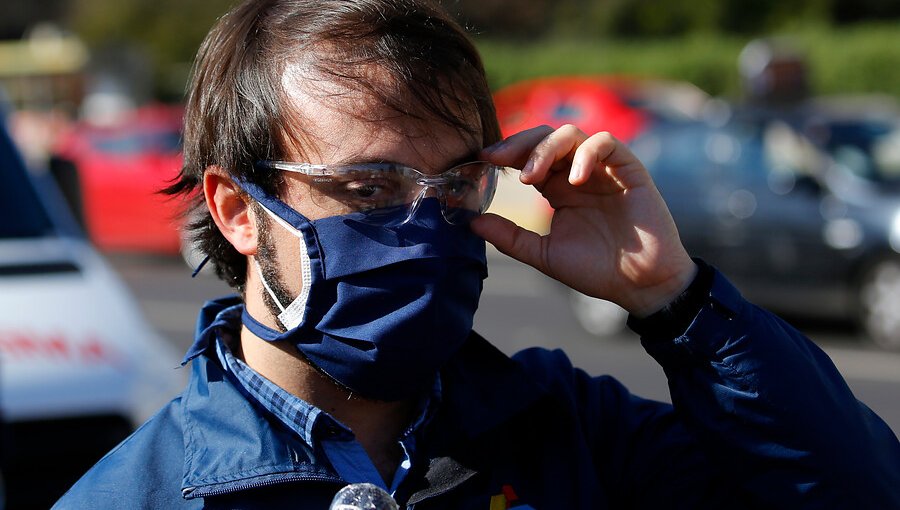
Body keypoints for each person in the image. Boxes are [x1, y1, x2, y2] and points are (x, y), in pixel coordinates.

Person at [55, 0, 899, 508]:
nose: (423, 225)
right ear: (239, 211)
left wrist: (673, 299)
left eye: (455, 182)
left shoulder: (573, 434)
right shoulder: (143, 495)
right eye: (371, 186)